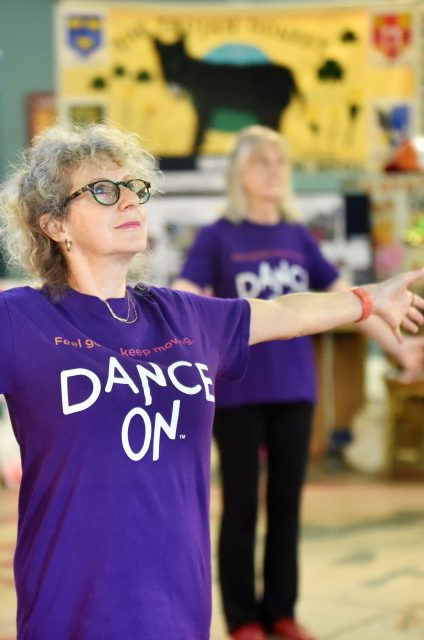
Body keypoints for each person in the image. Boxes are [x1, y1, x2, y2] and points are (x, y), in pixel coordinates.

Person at [0, 121, 421, 640]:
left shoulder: (183, 315)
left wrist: (370, 299)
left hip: (180, 611)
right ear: (54, 225)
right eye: (103, 191)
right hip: (74, 614)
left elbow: (284, 312)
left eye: (132, 187)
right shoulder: (20, 321)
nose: (128, 201)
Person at [173, 125, 424, 640]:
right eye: (262, 161)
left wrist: (400, 347)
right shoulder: (217, 236)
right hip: (236, 392)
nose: (274, 171)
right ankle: (243, 618)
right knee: (240, 506)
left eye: (280, 163)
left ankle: (281, 612)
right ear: (240, 173)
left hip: (294, 389)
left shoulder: (297, 237)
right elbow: (185, 297)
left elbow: (352, 299)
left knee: (287, 505)